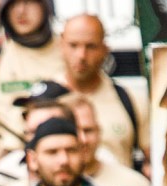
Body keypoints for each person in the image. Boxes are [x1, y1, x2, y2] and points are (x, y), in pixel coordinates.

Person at [58, 15, 142, 172]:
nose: (81, 55)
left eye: (90, 46)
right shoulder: (43, 99)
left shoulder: (130, 99)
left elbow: (154, 161)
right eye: (73, 45)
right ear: (60, 44)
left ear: (105, 49)